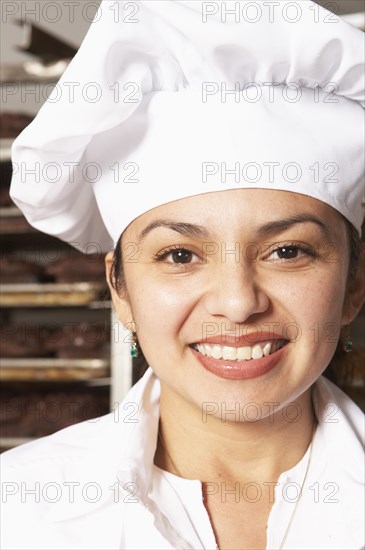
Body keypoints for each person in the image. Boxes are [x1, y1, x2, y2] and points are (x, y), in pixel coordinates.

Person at [1, 1, 364, 549]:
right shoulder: (19, 511)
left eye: (287, 251)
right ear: (118, 290)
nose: (238, 302)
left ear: (353, 287)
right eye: (179, 256)